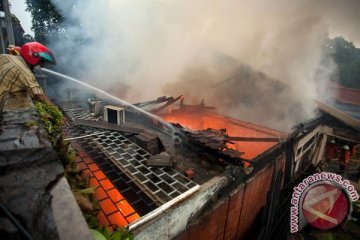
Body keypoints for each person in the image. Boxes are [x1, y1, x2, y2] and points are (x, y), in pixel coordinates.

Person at [0, 42, 56, 110]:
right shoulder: (25, 72)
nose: (41, 66)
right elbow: (39, 95)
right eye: (41, 62)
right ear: (33, 57)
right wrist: (60, 116)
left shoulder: (4, 56)